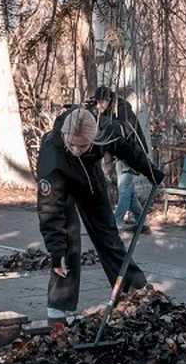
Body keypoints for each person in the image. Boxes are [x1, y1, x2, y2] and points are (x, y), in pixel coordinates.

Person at [36, 106, 164, 327]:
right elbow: (50, 209)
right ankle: (57, 309)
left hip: (89, 179)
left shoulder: (105, 131)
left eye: (83, 145)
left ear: (94, 137)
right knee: (67, 245)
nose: (76, 149)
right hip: (62, 188)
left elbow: (127, 149)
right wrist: (55, 251)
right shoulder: (52, 156)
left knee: (108, 236)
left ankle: (135, 292)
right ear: (65, 135)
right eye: (72, 144)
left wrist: (150, 171)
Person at [92, 87, 153, 234]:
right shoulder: (110, 112)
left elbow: (124, 130)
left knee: (124, 189)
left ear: (107, 100)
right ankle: (142, 221)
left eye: (101, 102)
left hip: (131, 152)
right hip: (122, 153)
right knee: (128, 192)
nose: (99, 106)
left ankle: (116, 221)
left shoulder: (123, 110)